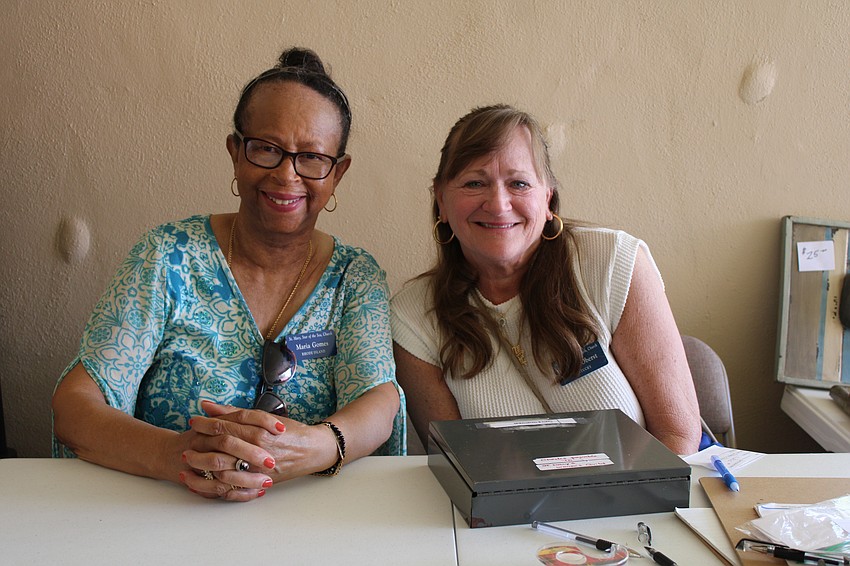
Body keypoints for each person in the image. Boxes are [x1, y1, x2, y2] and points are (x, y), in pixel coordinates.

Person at [52, 47, 406, 501]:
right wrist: (178, 455)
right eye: (267, 149)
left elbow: (379, 401)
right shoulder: (167, 256)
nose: (286, 174)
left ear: (337, 173)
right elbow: (77, 406)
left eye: (312, 158)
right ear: (236, 152)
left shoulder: (355, 277)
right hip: (159, 515)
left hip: (310, 526)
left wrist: (319, 445)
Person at [391, 104, 700, 455]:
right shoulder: (413, 315)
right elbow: (455, 465)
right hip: (504, 509)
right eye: (475, 183)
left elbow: (678, 438)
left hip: (636, 503)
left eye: (519, 183)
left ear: (548, 197)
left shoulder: (611, 261)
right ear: (441, 200)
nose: (498, 204)